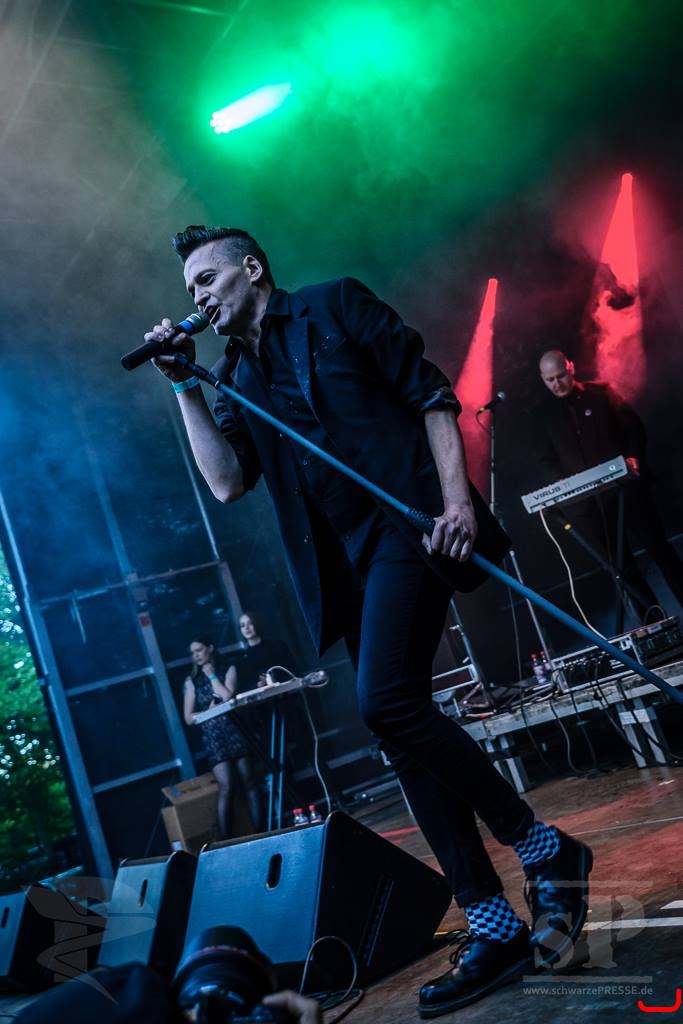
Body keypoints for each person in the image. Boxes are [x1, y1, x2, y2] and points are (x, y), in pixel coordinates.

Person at [146, 226, 592, 1016]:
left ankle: (541, 846)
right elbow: (226, 483)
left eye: (207, 279)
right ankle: (492, 923)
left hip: (408, 528)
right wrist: (183, 386)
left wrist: (455, 502)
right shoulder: (234, 376)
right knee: (399, 730)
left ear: (252, 267)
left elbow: (429, 394)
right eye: (190, 293)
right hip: (343, 567)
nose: (199, 298)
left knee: (384, 700)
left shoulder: (333, 307)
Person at [534, 349, 683, 620]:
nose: (557, 384)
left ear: (571, 368)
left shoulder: (600, 393)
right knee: (623, 569)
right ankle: (656, 629)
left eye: (560, 376)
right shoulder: (544, 415)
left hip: (628, 492)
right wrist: (558, 480)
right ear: (542, 379)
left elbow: (633, 428)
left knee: (661, 552)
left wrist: (633, 457)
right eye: (550, 380)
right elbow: (544, 458)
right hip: (591, 507)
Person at [183, 636, 262, 838]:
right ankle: (225, 840)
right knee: (226, 786)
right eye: (192, 653)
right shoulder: (191, 681)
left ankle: (262, 832)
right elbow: (188, 718)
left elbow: (227, 696)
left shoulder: (228, 669)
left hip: (235, 730)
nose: (196, 655)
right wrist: (207, 713)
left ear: (210, 648)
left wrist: (212, 676)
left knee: (250, 782)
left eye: (199, 650)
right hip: (214, 737)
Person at [238, 610, 297, 688]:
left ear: (256, 624)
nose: (246, 628)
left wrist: (274, 679)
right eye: (242, 625)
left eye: (250, 623)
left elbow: (293, 671)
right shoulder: (243, 659)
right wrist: (257, 685)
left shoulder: (278, 646)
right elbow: (244, 686)